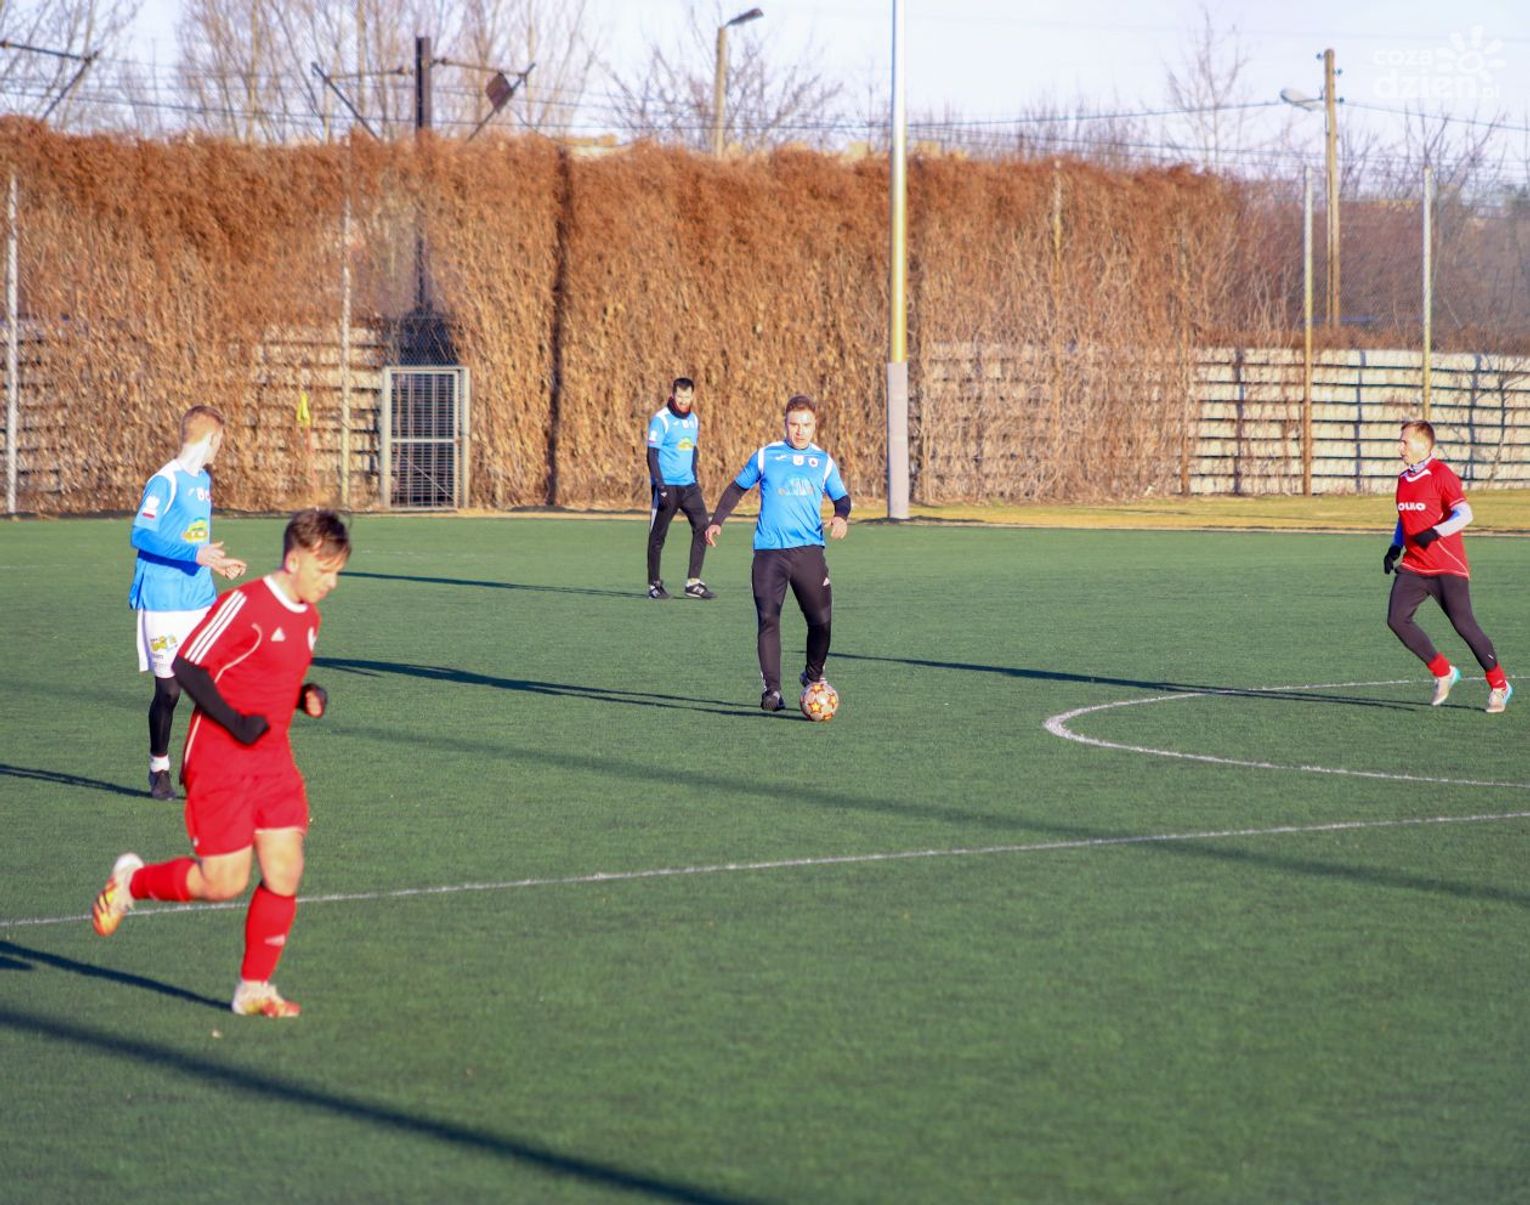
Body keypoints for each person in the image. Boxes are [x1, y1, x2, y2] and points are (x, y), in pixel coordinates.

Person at [92, 509, 351, 1019]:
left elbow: (266, 678)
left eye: (337, 572)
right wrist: (233, 722)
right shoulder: (246, 603)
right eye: (325, 570)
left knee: (285, 869)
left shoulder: (310, 619)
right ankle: (131, 883)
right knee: (223, 882)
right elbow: (187, 665)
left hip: (272, 759)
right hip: (219, 756)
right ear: (294, 560)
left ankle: (254, 987)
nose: (332, 582)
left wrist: (304, 696)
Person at [129, 405, 246, 800]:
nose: (221, 448)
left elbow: (194, 539)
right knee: (170, 692)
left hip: (199, 599)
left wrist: (215, 562)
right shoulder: (164, 481)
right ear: (211, 439)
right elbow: (141, 535)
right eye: (220, 441)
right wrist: (195, 554)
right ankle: (158, 768)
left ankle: (209, 769)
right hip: (163, 600)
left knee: (214, 686)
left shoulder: (204, 481)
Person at [706, 394, 851, 712]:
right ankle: (771, 691)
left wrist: (841, 516)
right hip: (769, 553)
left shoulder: (823, 462)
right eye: (794, 424)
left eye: (806, 425)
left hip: (808, 551)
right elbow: (736, 488)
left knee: (821, 622)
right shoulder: (766, 456)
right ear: (785, 424)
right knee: (768, 619)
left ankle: (813, 674)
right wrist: (716, 521)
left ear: (815, 425)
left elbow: (842, 498)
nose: (800, 430)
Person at [1384, 419, 1512, 713]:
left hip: (1446, 566)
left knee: (1464, 625)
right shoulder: (1403, 479)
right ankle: (1443, 672)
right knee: (1396, 619)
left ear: (1423, 444)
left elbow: (1465, 514)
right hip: (1415, 566)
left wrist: (1436, 532)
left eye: (1404, 442)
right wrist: (1394, 547)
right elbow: (1404, 517)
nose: (1400, 447)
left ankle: (1499, 685)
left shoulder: (1442, 475)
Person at [646, 376, 715, 600]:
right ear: (672, 395)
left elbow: (693, 450)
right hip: (667, 486)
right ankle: (654, 585)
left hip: (689, 486)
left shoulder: (693, 420)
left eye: (687, 397)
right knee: (658, 536)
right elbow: (652, 455)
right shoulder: (661, 420)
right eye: (679, 396)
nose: (683, 401)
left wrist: (694, 478)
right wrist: (661, 486)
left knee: (703, 526)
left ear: (692, 396)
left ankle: (693, 583)